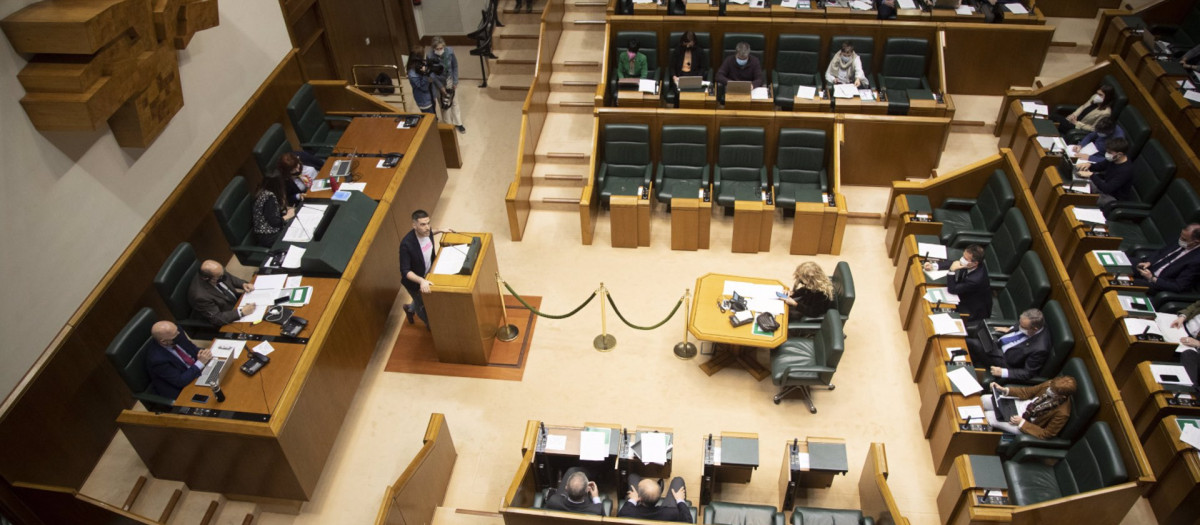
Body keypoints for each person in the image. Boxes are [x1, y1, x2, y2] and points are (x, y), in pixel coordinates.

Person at [399, 210, 455, 327]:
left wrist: (440, 230)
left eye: (428, 223)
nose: (427, 227)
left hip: (429, 274)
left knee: (422, 299)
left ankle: (409, 308)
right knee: (423, 306)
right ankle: (431, 326)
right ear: (414, 225)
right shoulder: (407, 245)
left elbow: (430, 232)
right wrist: (421, 281)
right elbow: (405, 271)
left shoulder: (427, 231)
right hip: (416, 282)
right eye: (423, 224)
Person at [982, 375, 1077, 438]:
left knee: (989, 417)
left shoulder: (1063, 413)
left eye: (1052, 391)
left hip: (1024, 423)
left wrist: (1022, 423)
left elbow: (1047, 434)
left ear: (1062, 396)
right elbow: (1028, 392)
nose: (1049, 389)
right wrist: (1004, 390)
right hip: (1019, 404)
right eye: (1050, 387)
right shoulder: (1050, 384)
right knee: (984, 399)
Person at [967, 308, 1049, 380]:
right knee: (981, 332)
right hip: (998, 345)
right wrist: (1011, 329)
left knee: (973, 343)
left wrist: (1003, 372)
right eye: (1019, 323)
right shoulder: (1034, 321)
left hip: (1005, 360)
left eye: (1022, 327)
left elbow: (1028, 373)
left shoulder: (1040, 349)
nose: (1019, 327)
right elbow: (1021, 323)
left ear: (1035, 329)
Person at [923, 244, 992, 325]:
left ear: (975, 263)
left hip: (971, 309)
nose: (962, 259)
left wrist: (952, 271)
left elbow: (952, 289)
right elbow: (955, 263)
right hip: (963, 294)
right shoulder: (970, 263)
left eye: (965, 259)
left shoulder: (975, 279)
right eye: (963, 256)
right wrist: (934, 266)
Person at [145, 320, 212, 399]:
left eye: (177, 331)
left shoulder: (176, 333)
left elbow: (191, 347)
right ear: (163, 342)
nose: (179, 334)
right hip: (183, 388)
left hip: (195, 371)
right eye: (175, 336)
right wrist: (200, 363)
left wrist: (201, 353)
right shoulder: (157, 360)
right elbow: (180, 381)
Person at [1131, 223, 1200, 293]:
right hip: (1148, 267)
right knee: (1121, 265)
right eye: (1181, 236)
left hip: (1157, 282)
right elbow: (1160, 252)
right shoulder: (1183, 239)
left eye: (1184, 239)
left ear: (1196, 242)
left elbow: (1178, 286)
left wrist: (1152, 278)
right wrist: (1149, 262)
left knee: (1123, 283)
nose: (1180, 239)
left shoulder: (1196, 261)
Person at [188, 260, 256, 328]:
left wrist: (243, 284)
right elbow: (216, 318)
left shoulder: (217, 272)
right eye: (219, 277)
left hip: (238, 301)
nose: (223, 277)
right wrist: (241, 312)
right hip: (229, 315)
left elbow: (230, 277)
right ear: (206, 278)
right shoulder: (200, 296)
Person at [1075, 137, 1134, 210]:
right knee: (1078, 183)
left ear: (1119, 154)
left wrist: (1091, 175)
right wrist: (1089, 165)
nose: (1107, 154)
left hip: (1113, 198)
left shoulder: (1125, 170)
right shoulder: (1114, 158)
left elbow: (1107, 189)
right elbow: (1100, 166)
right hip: (1104, 186)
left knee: (1081, 199)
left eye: (1110, 152)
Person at [617, 473, 692, 522]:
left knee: (633, 476)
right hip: (665, 517)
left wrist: (632, 499)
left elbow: (619, 517)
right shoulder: (673, 513)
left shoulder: (627, 513)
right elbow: (688, 521)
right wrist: (680, 500)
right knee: (678, 480)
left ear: (639, 498)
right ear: (659, 496)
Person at [428, 37, 466, 134]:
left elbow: (455, 66)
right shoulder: (429, 56)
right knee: (444, 105)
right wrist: (441, 87)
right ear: (433, 48)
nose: (440, 50)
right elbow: (431, 73)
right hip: (438, 82)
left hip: (450, 80)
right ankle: (448, 125)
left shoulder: (450, 52)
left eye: (441, 48)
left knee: (454, 102)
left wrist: (455, 81)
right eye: (437, 49)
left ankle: (458, 123)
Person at [1051, 84, 1116, 138]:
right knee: (1052, 119)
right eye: (1097, 93)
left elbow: (1094, 129)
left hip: (1078, 127)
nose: (1097, 96)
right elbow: (1082, 107)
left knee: (1052, 117)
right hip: (1072, 120)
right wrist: (1073, 115)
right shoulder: (1094, 98)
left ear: (1107, 97)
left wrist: (1077, 123)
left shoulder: (1106, 113)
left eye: (1100, 95)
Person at [251, 171, 294, 248]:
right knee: (294, 236)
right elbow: (274, 222)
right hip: (268, 235)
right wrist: (288, 216)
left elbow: (275, 212)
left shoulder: (263, 191)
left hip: (267, 231)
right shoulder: (269, 198)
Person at [1168, 301, 1200, 393]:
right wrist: (1183, 316)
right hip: (1183, 326)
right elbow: (1194, 306)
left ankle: (1192, 392)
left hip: (1194, 341)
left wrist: (1198, 343)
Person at [407, 46, 438, 115]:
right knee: (429, 119)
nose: (425, 56)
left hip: (431, 95)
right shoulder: (412, 73)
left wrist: (431, 69)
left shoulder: (423, 64)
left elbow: (432, 78)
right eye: (423, 55)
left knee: (433, 115)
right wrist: (425, 74)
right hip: (424, 101)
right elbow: (424, 87)